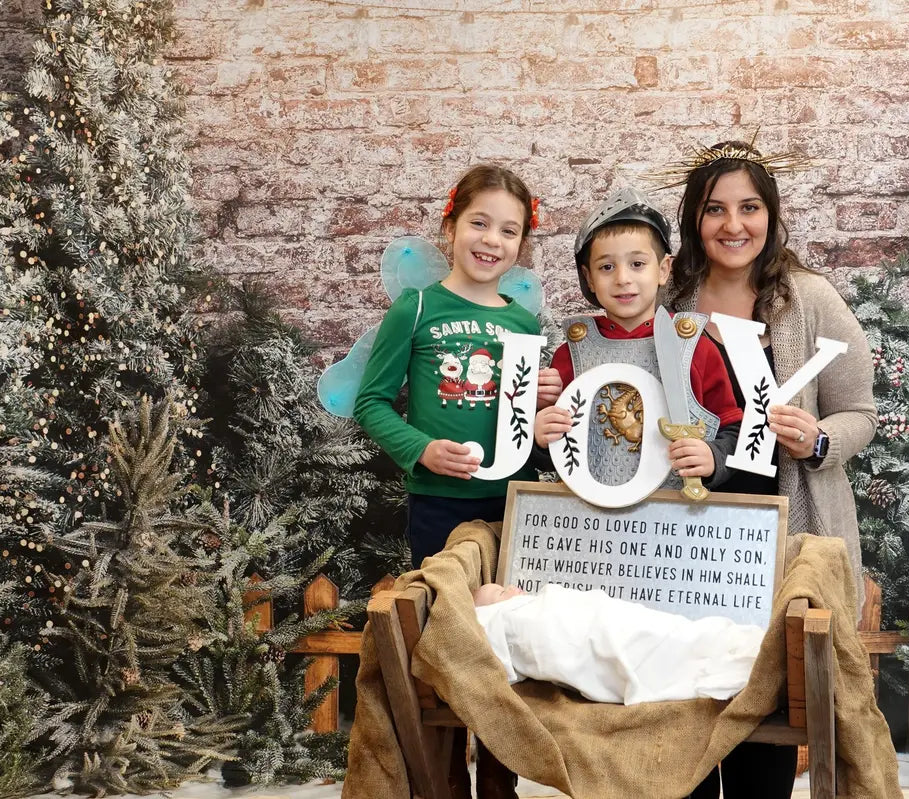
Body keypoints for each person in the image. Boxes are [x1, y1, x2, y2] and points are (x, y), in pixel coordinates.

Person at [666, 140, 878, 799]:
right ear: (695, 221)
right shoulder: (669, 301)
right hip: (692, 543)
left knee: (770, 718)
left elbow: (861, 413)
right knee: (688, 713)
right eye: (716, 209)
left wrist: (816, 438)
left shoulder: (809, 299)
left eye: (749, 207)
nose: (734, 224)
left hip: (785, 540)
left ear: (771, 214)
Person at [353, 163, 554, 799]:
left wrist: (550, 414)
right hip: (440, 508)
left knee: (505, 650)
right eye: (479, 222)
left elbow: (525, 419)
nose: (491, 240)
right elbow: (373, 403)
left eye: (509, 230)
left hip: (511, 509)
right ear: (450, 226)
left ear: (522, 244)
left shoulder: (524, 324)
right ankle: (444, 783)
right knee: (445, 648)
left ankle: (501, 784)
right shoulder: (415, 309)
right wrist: (422, 449)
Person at [532, 186, 742, 490]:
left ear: (663, 269)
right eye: (606, 267)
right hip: (590, 519)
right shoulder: (571, 354)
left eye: (637, 264)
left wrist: (713, 457)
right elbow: (559, 452)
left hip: (675, 520)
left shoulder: (693, 348)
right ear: (589, 277)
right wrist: (540, 439)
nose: (622, 279)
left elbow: (732, 429)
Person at [473, 583, 765, 705]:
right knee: (649, 642)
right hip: (590, 635)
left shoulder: (546, 601)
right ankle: (721, 649)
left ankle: (716, 643)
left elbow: (592, 610)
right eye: (501, 593)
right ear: (493, 612)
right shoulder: (512, 621)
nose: (512, 587)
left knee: (653, 626)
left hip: (602, 618)